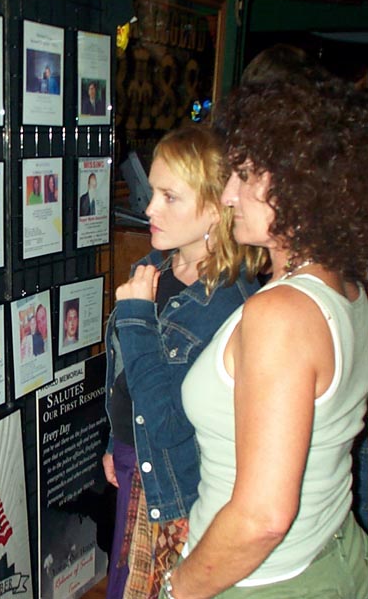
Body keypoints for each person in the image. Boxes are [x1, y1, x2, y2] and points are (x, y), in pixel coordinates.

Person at [162, 79, 368, 599]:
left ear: (304, 183)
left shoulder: (282, 314)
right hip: (332, 549)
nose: (229, 193)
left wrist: (179, 586)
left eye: (247, 174)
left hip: (263, 581)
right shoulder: (344, 287)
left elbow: (262, 517)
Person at [103, 125, 264, 599]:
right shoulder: (153, 265)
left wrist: (134, 316)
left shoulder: (229, 304)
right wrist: (114, 439)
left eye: (169, 196)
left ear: (217, 207)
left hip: (175, 483)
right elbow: (127, 376)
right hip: (137, 463)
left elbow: (172, 421)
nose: (149, 208)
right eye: (152, 192)